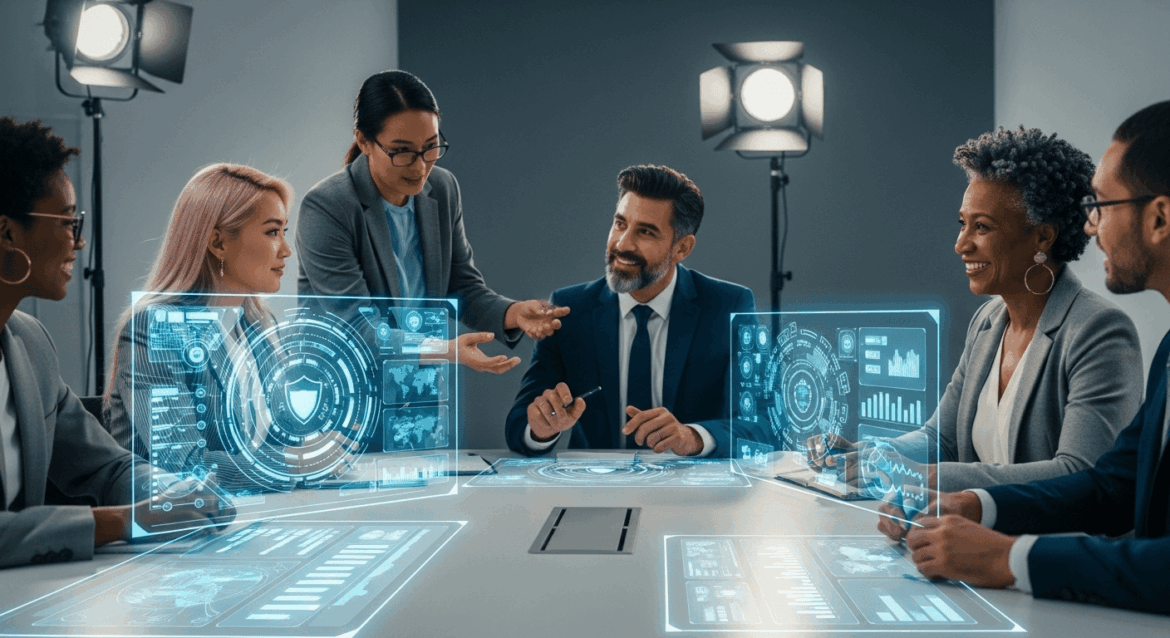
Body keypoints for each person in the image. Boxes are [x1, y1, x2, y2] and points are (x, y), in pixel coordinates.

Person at [877, 101, 1170, 616]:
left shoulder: (1100, 328)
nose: (1091, 227)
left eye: (1102, 206)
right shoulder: (1168, 349)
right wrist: (977, 505)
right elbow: (1113, 486)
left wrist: (1008, 557)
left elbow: (1082, 472)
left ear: (1159, 218)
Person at [809, 127, 1143, 492]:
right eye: (962, 224)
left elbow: (1080, 473)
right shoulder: (987, 322)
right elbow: (942, 438)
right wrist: (874, 454)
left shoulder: (1099, 331)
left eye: (981, 227)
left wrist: (924, 476)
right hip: (974, 527)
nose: (961, 244)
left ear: (1043, 236)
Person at [0, 117, 229, 568]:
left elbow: (107, 465)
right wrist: (124, 521)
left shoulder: (30, 343)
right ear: (8, 233)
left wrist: (173, 493)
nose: (79, 241)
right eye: (68, 222)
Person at [103, 164, 357, 491]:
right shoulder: (155, 328)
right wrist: (294, 463)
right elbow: (182, 464)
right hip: (178, 518)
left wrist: (321, 443)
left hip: (256, 509)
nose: (286, 250)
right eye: (272, 232)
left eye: (284, 231)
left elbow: (281, 437)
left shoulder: (258, 326)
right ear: (218, 243)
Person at [296, 70, 567, 376]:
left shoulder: (442, 188)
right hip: (343, 387)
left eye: (430, 146)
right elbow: (356, 327)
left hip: (415, 385)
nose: (420, 166)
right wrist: (444, 350)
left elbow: (461, 287)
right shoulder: (327, 206)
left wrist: (514, 313)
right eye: (402, 151)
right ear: (364, 141)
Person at [505, 165, 755, 457]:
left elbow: (762, 422)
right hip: (596, 482)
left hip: (692, 483)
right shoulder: (571, 310)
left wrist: (692, 438)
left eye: (646, 232)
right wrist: (540, 428)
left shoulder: (728, 306)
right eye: (620, 224)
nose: (623, 244)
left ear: (682, 248)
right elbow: (519, 424)